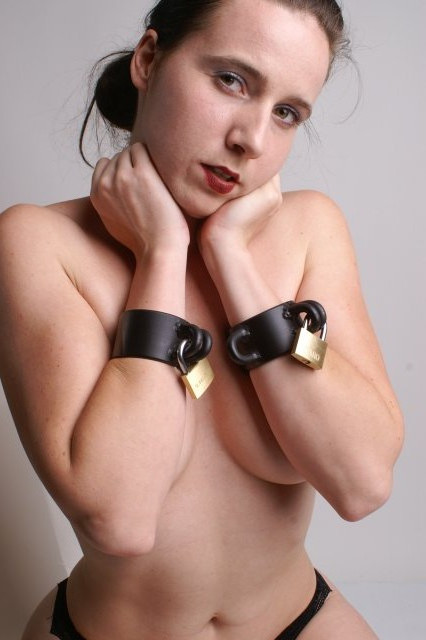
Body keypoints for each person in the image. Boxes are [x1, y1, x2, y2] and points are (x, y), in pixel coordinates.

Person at [0, 0, 404, 638]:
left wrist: (231, 259)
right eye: (231, 80)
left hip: (302, 621)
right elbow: (120, 518)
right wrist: (162, 253)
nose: (252, 140)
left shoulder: (310, 228)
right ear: (148, 59)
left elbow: (363, 484)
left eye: (287, 112)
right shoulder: (40, 243)